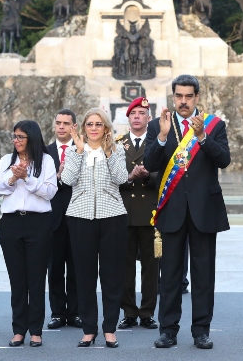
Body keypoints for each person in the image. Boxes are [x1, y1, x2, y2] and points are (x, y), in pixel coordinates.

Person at [144, 74, 231, 350]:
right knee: (169, 274)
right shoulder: (159, 125)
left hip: (204, 210)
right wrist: (161, 136)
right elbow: (149, 163)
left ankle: (201, 331)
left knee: (203, 274)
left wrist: (203, 138)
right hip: (172, 209)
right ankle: (168, 330)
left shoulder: (213, 125)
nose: (183, 101)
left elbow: (224, 160)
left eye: (188, 96)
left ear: (197, 98)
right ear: (173, 97)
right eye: (179, 96)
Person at [62, 108, 128, 348]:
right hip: (80, 217)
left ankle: (110, 329)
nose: (93, 128)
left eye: (98, 124)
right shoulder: (73, 150)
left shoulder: (117, 149)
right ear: (83, 128)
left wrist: (110, 153)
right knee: (84, 276)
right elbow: (67, 180)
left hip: (113, 217)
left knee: (111, 276)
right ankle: (89, 329)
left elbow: (122, 179)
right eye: (89, 124)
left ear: (106, 128)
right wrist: (79, 152)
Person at [0, 120, 57, 347]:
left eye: (20, 137)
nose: (16, 141)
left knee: (36, 279)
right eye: (14, 136)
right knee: (17, 280)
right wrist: (12, 178)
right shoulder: (7, 161)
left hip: (39, 223)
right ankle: (19, 330)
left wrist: (27, 178)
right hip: (11, 223)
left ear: (32, 138)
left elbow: (49, 192)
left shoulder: (45, 161)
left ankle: (36, 331)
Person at [117, 98, 158, 330]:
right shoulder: (116, 143)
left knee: (151, 267)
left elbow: (164, 174)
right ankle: (129, 311)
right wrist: (130, 176)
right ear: (128, 117)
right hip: (125, 213)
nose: (137, 117)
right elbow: (112, 175)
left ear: (148, 118)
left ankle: (148, 312)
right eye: (133, 113)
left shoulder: (156, 143)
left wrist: (147, 175)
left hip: (150, 213)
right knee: (125, 265)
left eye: (141, 113)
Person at [46, 109, 82, 329]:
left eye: (66, 123)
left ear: (74, 127)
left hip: (78, 216)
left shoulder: (83, 150)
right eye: (58, 122)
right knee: (55, 268)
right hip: (53, 219)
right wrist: (57, 177)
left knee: (77, 268)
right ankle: (58, 313)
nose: (61, 127)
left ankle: (76, 312)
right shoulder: (45, 152)